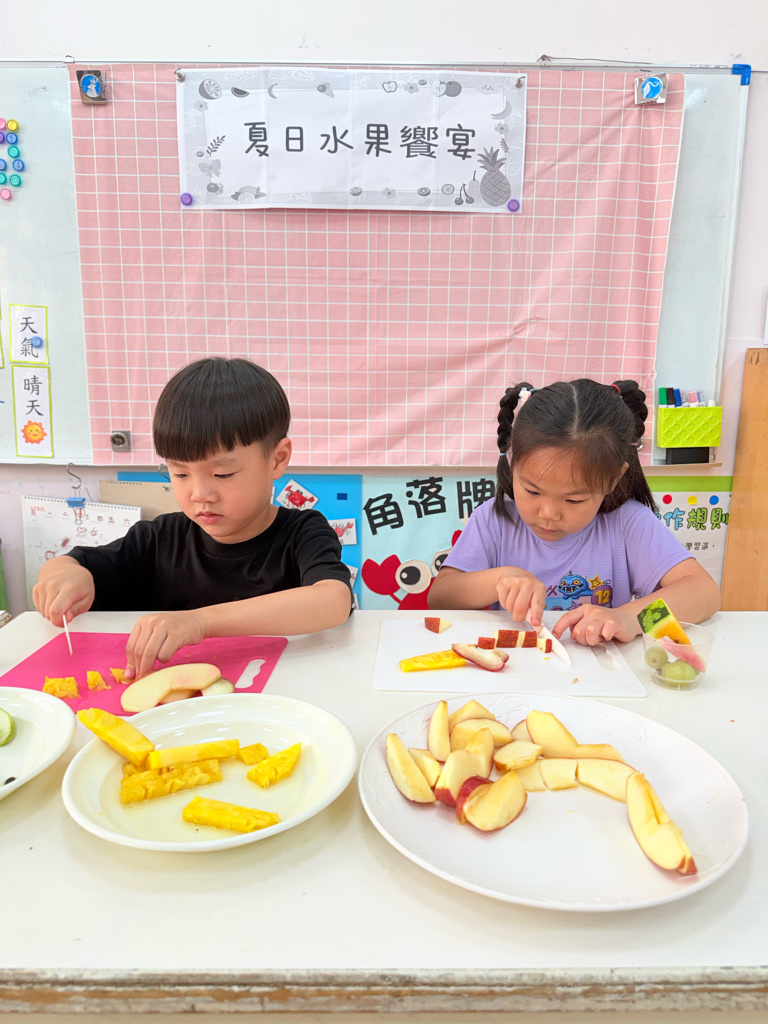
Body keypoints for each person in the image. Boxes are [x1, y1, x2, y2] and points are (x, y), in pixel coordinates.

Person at [34, 358, 353, 678]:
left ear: (277, 460)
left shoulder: (303, 532)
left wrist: (199, 623)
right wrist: (63, 576)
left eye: (222, 474)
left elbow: (332, 600)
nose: (200, 494)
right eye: (180, 473)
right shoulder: (158, 539)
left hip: (282, 691)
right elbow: (71, 564)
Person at [428, 378, 720, 645]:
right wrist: (499, 579)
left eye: (574, 500)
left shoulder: (628, 524)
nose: (548, 513)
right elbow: (440, 598)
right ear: (511, 461)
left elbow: (704, 592)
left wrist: (628, 618)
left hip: (603, 672)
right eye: (532, 491)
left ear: (614, 478)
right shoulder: (494, 520)